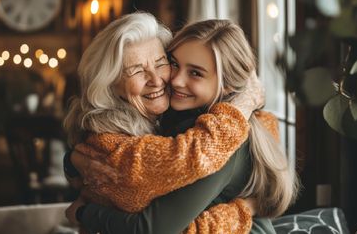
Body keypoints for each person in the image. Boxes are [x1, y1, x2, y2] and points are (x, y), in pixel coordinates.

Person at [64, 13, 275, 233]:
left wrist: (86, 213)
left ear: (228, 85)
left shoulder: (222, 138)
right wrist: (71, 161)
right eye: (174, 63)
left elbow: (151, 228)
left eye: (161, 63)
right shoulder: (174, 120)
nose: (168, 80)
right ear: (109, 81)